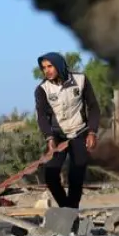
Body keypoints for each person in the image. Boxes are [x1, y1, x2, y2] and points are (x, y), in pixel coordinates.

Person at [34, 51, 101, 209]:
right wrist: (49, 138)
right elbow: (42, 117)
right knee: (50, 175)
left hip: (80, 132)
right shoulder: (42, 90)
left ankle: (72, 212)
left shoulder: (81, 80)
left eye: (50, 66)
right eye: (44, 68)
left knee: (76, 176)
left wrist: (92, 132)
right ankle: (66, 208)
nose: (47, 71)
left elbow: (94, 107)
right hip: (58, 137)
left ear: (59, 65)